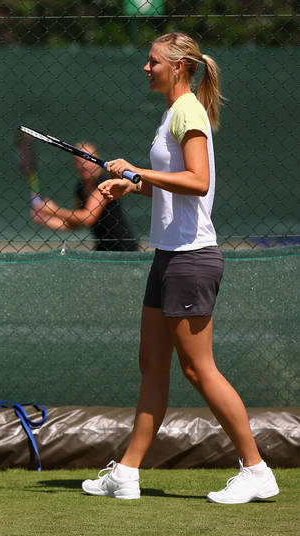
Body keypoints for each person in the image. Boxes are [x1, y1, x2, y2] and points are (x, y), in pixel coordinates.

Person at [82, 32, 279, 503]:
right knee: (152, 363)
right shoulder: (173, 113)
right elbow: (176, 185)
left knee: (197, 369)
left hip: (191, 259)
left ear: (177, 67)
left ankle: (256, 470)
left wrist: (137, 172)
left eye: (153, 62)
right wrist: (134, 186)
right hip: (168, 256)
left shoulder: (188, 110)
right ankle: (126, 473)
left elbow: (198, 181)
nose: (145, 68)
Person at [27, 139, 139, 251]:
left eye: (88, 160)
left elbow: (87, 218)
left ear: (97, 160)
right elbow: (75, 223)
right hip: (103, 246)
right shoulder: (80, 187)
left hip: (123, 246)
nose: (84, 165)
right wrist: (45, 220)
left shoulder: (104, 183)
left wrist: (54, 210)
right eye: (79, 161)